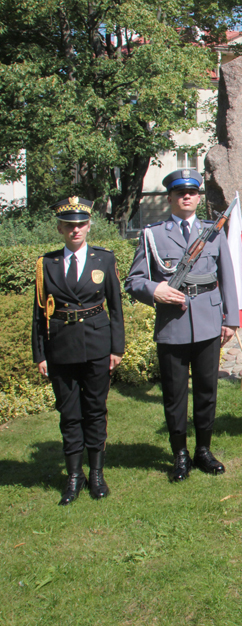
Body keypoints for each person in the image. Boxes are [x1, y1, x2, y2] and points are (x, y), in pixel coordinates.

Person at [124, 169, 238, 482]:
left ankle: (203, 450)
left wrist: (231, 319)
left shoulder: (213, 232)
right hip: (172, 325)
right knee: (174, 395)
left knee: (206, 390)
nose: (186, 197)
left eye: (192, 192)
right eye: (180, 193)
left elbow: (226, 277)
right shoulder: (153, 234)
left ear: (198, 198)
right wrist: (154, 290)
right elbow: (133, 280)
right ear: (171, 197)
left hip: (209, 321)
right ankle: (180, 455)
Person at [32, 197, 125, 505]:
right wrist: (40, 354)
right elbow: (39, 314)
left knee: (95, 410)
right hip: (61, 348)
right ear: (60, 228)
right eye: (69, 225)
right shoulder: (47, 264)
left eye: (81, 224)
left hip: (97, 345)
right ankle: (74, 476)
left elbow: (115, 307)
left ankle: (96, 473)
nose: (76, 230)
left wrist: (117, 347)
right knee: (70, 414)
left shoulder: (104, 260)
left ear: (88, 227)